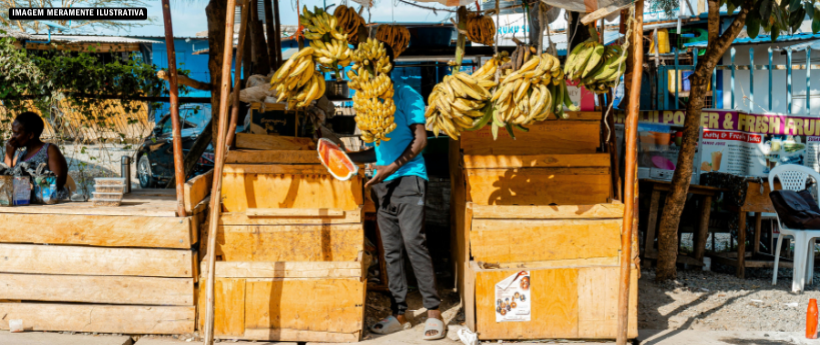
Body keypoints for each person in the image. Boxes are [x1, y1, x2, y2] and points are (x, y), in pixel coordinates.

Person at [348, 43, 444, 340]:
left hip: (409, 178)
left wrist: (390, 169)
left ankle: (434, 312)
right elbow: (376, 152)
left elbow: (420, 141)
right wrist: (346, 156)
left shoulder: (406, 94)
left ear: (385, 65)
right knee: (390, 250)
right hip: (383, 184)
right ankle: (399, 312)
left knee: (414, 242)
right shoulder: (369, 102)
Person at [4, 112, 69, 199]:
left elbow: (57, 182)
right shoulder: (21, 155)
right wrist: (8, 155)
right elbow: (5, 182)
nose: (12, 137)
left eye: (16, 133)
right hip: (25, 201)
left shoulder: (50, 150)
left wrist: (27, 189)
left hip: (51, 202)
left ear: (30, 135)